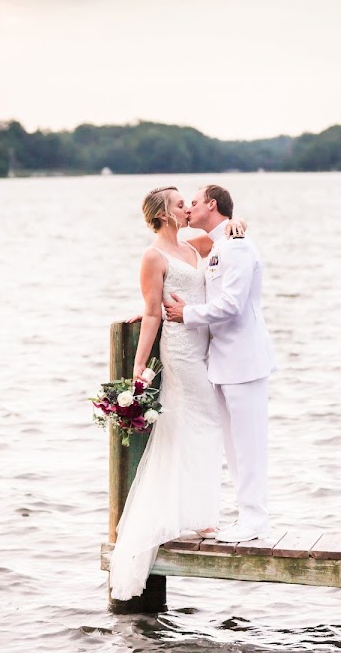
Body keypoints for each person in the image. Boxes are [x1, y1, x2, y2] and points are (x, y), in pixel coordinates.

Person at [109, 185, 245, 601]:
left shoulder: (193, 246)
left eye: (189, 201)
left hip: (204, 345)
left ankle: (201, 513)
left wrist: (240, 223)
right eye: (181, 203)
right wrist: (139, 368)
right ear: (165, 213)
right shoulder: (153, 256)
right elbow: (152, 311)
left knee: (204, 427)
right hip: (181, 350)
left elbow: (228, 233)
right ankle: (202, 518)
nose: (188, 206)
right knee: (198, 424)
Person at [164, 184, 276, 543]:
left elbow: (232, 305)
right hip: (223, 363)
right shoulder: (219, 245)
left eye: (194, 203)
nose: (190, 208)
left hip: (244, 360)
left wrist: (187, 314)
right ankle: (246, 516)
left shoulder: (237, 246)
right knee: (234, 446)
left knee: (249, 444)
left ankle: (255, 520)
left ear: (211, 205)